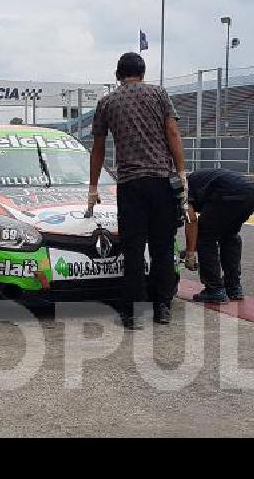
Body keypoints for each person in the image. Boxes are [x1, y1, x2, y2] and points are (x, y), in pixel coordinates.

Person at [88, 52, 187, 329]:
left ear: (118, 75)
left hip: (130, 185)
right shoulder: (159, 94)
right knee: (163, 247)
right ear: (142, 73)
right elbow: (172, 133)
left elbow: (98, 148)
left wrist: (93, 186)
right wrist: (181, 172)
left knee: (133, 249)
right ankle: (163, 307)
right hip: (161, 181)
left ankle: (132, 312)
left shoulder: (107, 102)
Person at [183, 168, 254, 303]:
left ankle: (214, 290)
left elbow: (191, 219)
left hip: (229, 194)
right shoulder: (200, 179)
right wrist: (191, 247)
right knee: (229, 236)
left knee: (205, 237)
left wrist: (190, 252)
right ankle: (234, 288)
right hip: (253, 193)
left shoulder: (182, 187)